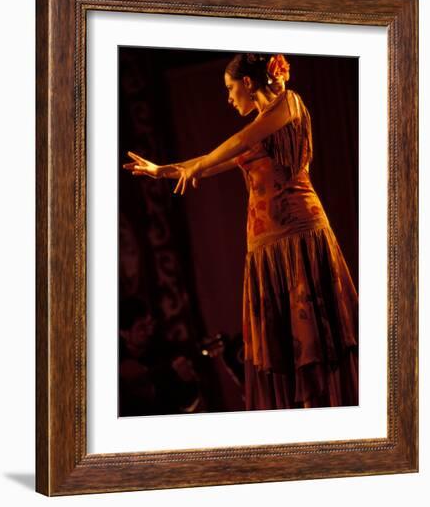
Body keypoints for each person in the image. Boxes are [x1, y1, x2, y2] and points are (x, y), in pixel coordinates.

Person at [123, 53, 358, 411]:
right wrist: (161, 171)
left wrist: (200, 164)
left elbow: (237, 140)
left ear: (248, 83)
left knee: (314, 343)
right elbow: (207, 163)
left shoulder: (288, 104)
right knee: (289, 350)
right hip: (266, 248)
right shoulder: (258, 128)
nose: (229, 98)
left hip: (298, 236)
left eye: (231, 88)